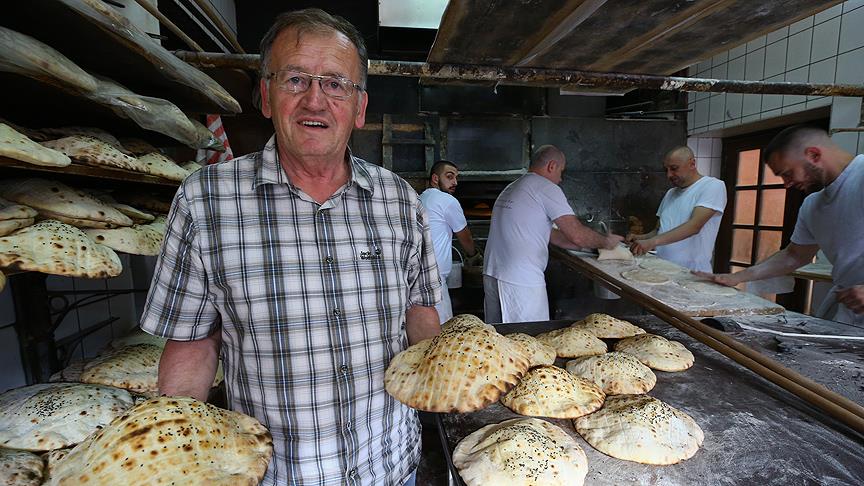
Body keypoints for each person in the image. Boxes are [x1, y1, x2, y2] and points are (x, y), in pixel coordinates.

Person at [139, 9, 441, 486]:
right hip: (277, 473)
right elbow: (192, 341)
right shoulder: (205, 201)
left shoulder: (399, 199)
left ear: (359, 107)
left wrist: (451, 383)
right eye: (295, 79)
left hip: (391, 464)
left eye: (336, 84)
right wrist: (176, 458)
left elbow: (420, 310)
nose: (314, 101)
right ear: (266, 95)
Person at [697, 125, 864, 325]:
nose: (787, 183)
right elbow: (794, 255)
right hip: (851, 316)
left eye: (788, 173)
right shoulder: (813, 205)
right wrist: (736, 277)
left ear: (814, 155)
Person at [483, 145, 623, 323]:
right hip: (520, 279)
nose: (560, 178)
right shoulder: (546, 188)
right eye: (561, 171)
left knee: (497, 334)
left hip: (493, 273)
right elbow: (577, 234)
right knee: (528, 336)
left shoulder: (514, 187)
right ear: (552, 166)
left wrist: (587, 245)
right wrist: (606, 242)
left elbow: (551, 235)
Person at [627, 146, 727, 272]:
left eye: (674, 168)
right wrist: (641, 238)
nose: (669, 175)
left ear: (692, 164)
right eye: (666, 170)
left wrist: (652, 242)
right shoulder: (671, 193)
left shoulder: (712, 186)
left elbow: (694, 226)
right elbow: (659, 230)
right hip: (662, 268)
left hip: (691, 273)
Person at [419, 160, 481, 323]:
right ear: (435, 178)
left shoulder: (421, 198)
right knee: (443, 328)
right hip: (435, 277)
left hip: (418, 274)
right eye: (449, 176)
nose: (455, 182)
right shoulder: (447, 201)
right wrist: (473, 255)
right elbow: (464, 236)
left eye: (456, 177)